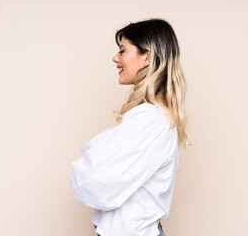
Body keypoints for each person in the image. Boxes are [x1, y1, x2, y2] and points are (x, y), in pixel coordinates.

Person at [70, 18, 190, 236]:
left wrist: (92, 158)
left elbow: (93, 182)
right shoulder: (152, 117)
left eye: (123, 50)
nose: (115, 58)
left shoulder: (150, 119)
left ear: (146, 57)